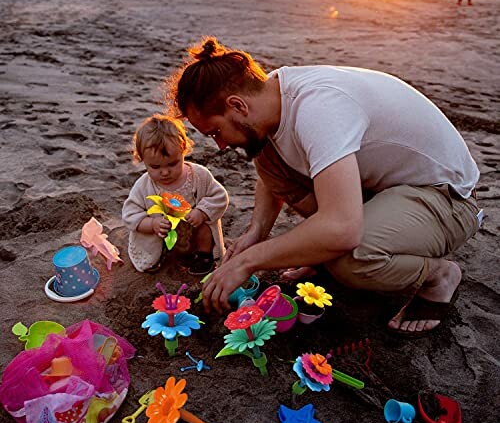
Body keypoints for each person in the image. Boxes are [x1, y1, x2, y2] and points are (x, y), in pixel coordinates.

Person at [167, 36, 481, 337]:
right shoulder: (270, 95)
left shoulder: (318, 109)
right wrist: (256, 233)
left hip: (446, 197)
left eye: (215, 132)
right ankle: (326, 250)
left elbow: (343, 229)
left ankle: (439, 275)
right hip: (385, 190)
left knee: (348, 256)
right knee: (265, 154)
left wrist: (250, 260)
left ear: (238, 105)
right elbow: (270, 175)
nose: (220, 146)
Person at [122, 113, 229, 275]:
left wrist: (202, 211)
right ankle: (160, 257)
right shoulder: (143, 186)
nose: (165, 172)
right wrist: (152, 224)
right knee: (156, 239)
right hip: (164, 233)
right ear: (142, 159)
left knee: (205, 227)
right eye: (155, 167)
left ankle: (204, 257)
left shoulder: (199, 176)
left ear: (183, 150)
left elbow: (219, 197)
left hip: (193, 232)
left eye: (172, 164)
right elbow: (130, 215)